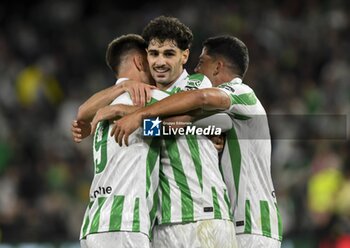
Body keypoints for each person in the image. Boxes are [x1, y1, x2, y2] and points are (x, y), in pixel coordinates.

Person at [112, 35, 283, 248]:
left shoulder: (242, 92)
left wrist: (137, 114)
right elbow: (174, 125)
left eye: (202, 62)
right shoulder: (225, 114)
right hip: (242, 221)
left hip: (252, 222)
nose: (196, 69)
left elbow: (199, 98)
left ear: (218, 67)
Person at [74, 34, 161, 248]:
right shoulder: (147, 100)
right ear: (140, 61)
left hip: (94, 223)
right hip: (124, 223)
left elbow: (81, 113)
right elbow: (172, 127)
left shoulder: (102, 104)